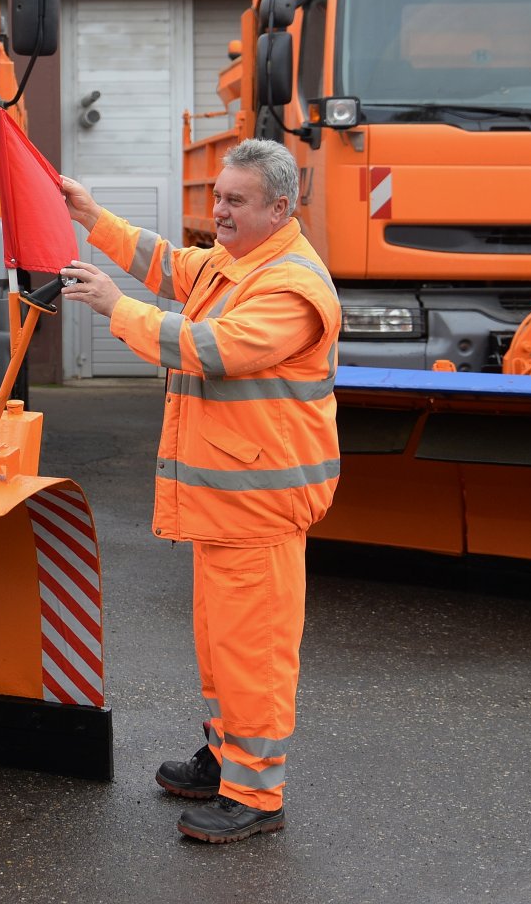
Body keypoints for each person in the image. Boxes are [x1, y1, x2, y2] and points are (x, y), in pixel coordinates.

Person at [57, 138, 340, 845]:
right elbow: (170, 263)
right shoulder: (235, 262)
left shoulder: (291, 285)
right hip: (229, 505)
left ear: (279, 209)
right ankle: (225, 758)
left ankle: (256, 795)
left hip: (259, 509)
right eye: (217, 196)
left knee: (255, 654)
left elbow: (214, 348)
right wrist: (93, 216)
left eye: (234, 201)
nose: (218, 210)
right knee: (221, 649)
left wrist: (117, 309)